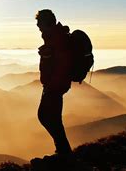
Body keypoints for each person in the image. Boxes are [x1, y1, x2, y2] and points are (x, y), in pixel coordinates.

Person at [35, 9, 73, 163]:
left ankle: (64, 153)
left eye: (39, 22)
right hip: (55, 84)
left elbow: (63, 63)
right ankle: (64, 152)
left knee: (46, 116)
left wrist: (52, 84)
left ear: (46, 22)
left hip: (55, 85)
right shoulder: (53, 37)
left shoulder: (57, 38)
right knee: (51, 117)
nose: (37, 26)